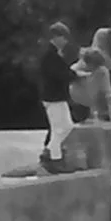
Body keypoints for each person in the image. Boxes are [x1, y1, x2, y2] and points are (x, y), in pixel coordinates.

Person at [36, 22, 78, 168]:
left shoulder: (54, 54)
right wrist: (74, 75)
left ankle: (50, 153)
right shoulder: (50, 55)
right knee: (61, 128)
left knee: (64, 127)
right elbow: (58, 74)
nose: (65, 41)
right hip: (53, 97)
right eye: (63, 38)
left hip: (56, 97)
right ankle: (55, 159)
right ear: (56, 37)